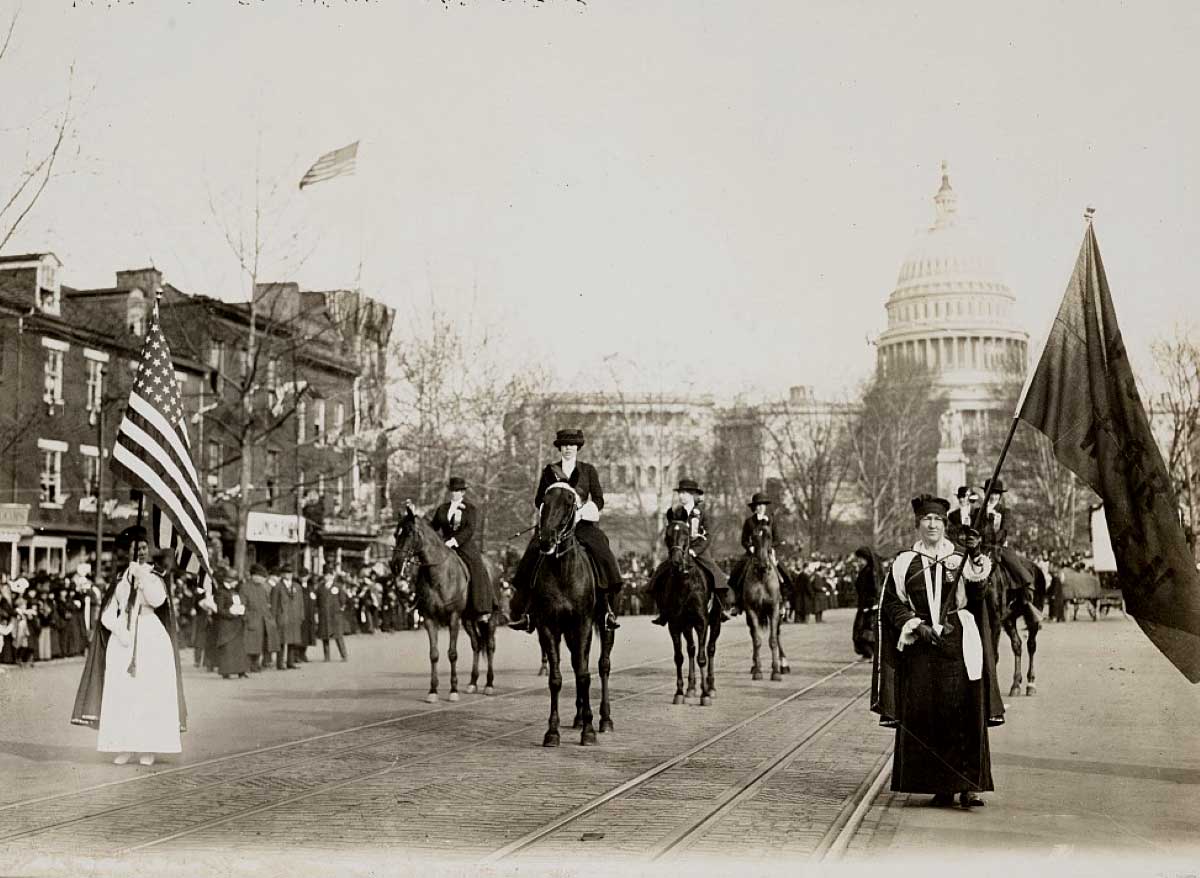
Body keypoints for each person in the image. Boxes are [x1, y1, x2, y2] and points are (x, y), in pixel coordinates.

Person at [872, 494, 1000, 808]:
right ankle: (941, 785)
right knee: (929, 716)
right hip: (922, 645)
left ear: (945, 525)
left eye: (938, 520)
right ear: (918, 524)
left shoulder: (960, 558)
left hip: (957, 641)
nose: (932, 525)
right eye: (927, 520)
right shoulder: (904, 563)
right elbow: (891, 603)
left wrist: (975, 553)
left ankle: (970, 785)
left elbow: (979, 591)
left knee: (964, 712)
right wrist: (915, 624)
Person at [71, 525, 185, 766]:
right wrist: (119, 630)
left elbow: (158, 600)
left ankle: (148, 747)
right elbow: (108, 612)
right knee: (123, 693)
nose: (141, 552)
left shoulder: (155, 577)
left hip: (150, 635)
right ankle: (124, 745)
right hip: (124, 639)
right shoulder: (121, 579)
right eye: (137, 548)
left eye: (144, 547)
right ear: (129, 551)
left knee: (148, 692)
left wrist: (142, 577)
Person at [508, 429, 623, 633]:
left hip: (581, 524)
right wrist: (550, 516)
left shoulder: (588, 470)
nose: (568, 449)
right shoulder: (549, 471)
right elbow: (538, 500)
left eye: (572, 445)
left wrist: (581, 512)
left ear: (577, 448)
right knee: (531, 554)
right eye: (564, 445)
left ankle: (606, 609)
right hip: (554, 525)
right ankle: (527, 612)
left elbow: (598, 499)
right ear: (559, 448)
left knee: (603, 553)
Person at [649, 478, 732, 626]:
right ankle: (663, 611)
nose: (681, 496)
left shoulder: (702, 514)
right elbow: (670, 534)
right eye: (680, 493)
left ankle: (721, 609)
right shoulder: (676, 513)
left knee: (717, 576)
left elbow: (707, 536)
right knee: (659, 575)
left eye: (685, 493)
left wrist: (695, 550)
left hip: (698, 553)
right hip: (679, 553)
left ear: (693, 494)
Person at [430, 477, 497, 620]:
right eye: (453, 490)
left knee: (476, 567)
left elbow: (470, 529)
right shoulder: (442, 509)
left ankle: (482, 607)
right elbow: (433, 527)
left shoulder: (470, 509)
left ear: (462, 493)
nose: (454, 493)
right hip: (444, 546)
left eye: (458, 491)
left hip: (464, 545)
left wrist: (454, 541)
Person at [726, 492, 790, 614]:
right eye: (758, 505)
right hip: (752, 553)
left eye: (762, 505)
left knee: (784, 572)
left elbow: (777, 539)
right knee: (737, 571)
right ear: (754, 507)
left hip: (768, 552)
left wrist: (769, 548)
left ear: (765, 506)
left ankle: (783, 600)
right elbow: (744, 540)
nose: (760, 507)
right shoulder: (749, 522)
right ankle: (737, 603)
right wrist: (750, 547)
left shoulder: (771, 521)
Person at [214, 568, 250, 679]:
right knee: (228, 649)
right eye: (235, 581)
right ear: (229, 580)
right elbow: (220, 610)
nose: (236, 583)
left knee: (239, 648)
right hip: (227, 625)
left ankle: (241, 670)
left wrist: (241, 611)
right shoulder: (221, 592)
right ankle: (227, 671)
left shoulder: (234, 591)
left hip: (237, 623)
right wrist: (232, 613)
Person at [851, 546, 882, 659]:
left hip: (869, 607)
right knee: (862, 629)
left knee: (866, 630)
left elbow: (875, 590)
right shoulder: (864, 571)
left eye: (860, 559)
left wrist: (871, 605)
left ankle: (869, 653)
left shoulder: (870, 573)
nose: (858, 561)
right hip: (864, 605)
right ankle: (867, 653)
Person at [271, 569, 305, 670]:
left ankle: (290, 662)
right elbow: (274, 604)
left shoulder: (297, 586)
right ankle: (280, 663)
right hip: (282, 616)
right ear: (282, 574)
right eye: (286, 573)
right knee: (281, 641)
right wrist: (273, 617)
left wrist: (301, 615)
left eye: (290, 573)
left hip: (294, 617)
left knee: (293, 640)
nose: (288, 575)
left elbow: (301, 602)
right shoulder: (277, 587)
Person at [317, 572, 349, 661]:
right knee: (325, 636)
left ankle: (344, 655)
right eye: (325, 575)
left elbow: (343, 599)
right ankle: (327, 656)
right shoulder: (320, 587)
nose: (327, 577)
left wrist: (341, 607)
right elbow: (318, 601)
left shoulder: (337, 586)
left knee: (338, 635)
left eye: (329, 575)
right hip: (324, 615)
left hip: (335, 615)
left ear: (332, 576)